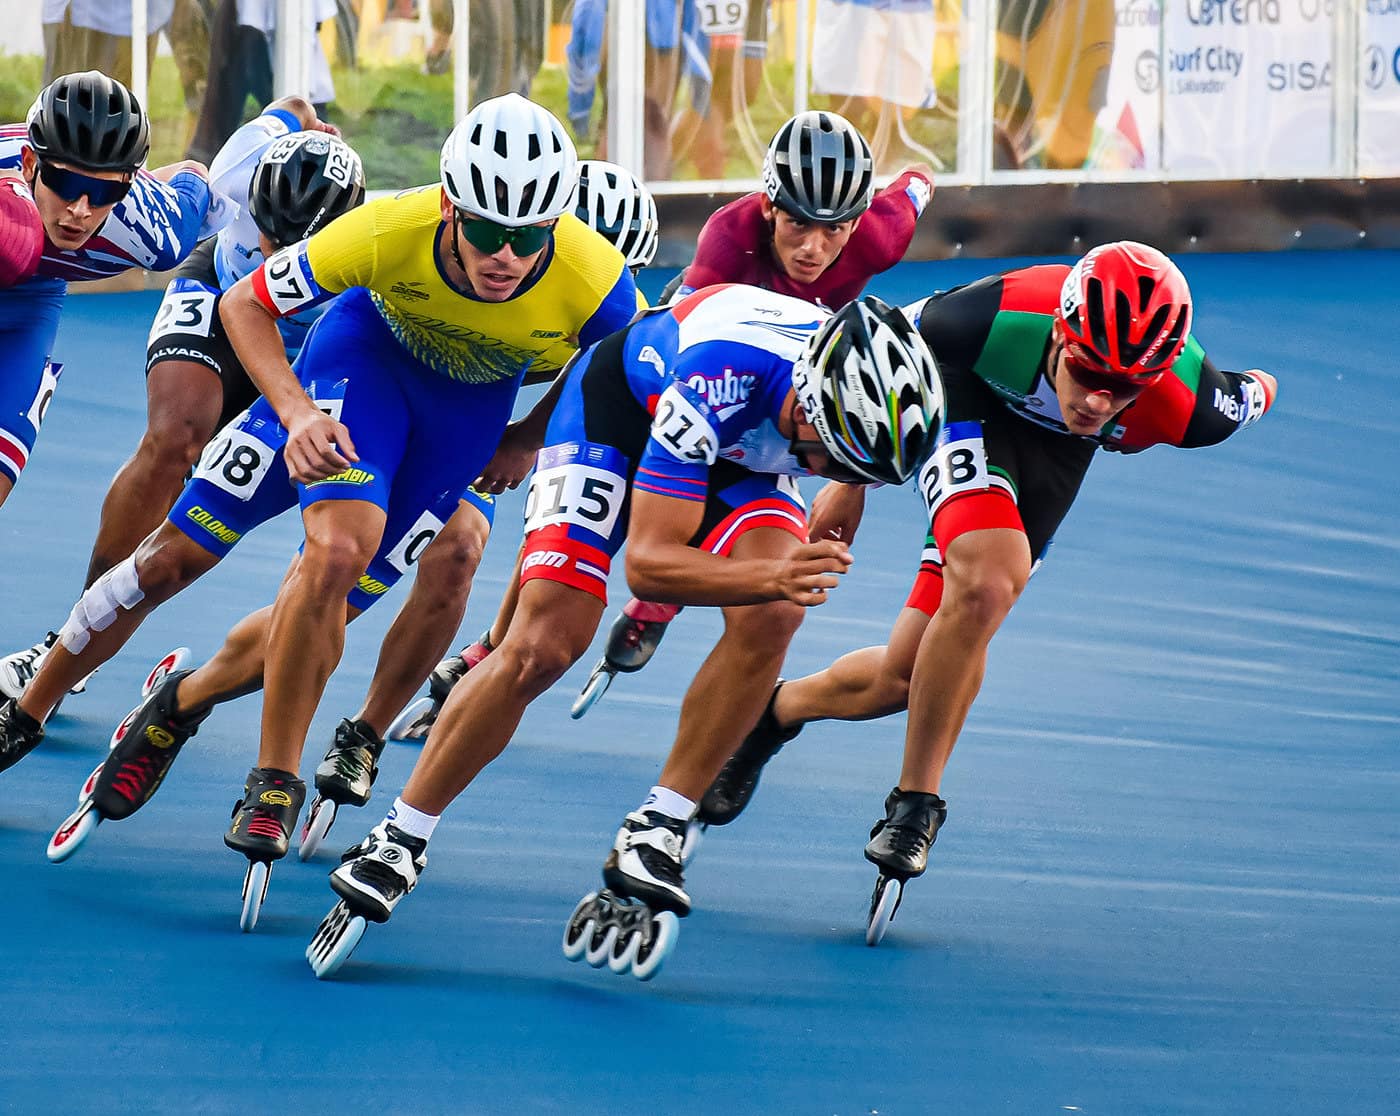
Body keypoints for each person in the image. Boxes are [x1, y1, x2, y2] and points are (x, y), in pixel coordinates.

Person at [11, 95, 638, 921]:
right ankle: (39, 712)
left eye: (530, 237)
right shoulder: (387, 229)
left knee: (322, 611)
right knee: (194, 555)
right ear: (450, 207)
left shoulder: (598, 281)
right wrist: (299, 412)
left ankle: (178, 705)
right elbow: (244, 305)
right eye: (488, 231)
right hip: (360, 370)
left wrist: (528, 434)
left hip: (461, 423)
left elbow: (615, 367)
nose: (507, 257)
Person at [305, 285, 943, 980]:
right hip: (617, 414)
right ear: (810, 404)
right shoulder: (719, 379)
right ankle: (400, 836)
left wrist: (838, 492)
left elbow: (841, 471)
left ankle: (660, 822)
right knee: (545, 646)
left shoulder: (859, 419)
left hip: (741, 451)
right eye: (830, 458)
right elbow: (649, 568)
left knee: (776, 616)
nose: (830, 473)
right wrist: (773, 576)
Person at [688, 241, 1280, 941]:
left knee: (906, 679)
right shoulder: (992, 315)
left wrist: (1251, 387)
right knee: (990, 582)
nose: (1097, 399)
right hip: (963, 398)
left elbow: (1259, 387)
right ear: (1061, 332)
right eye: (1090, 370)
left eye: (1122, 388)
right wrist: (851, 481)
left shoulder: (1194, 407)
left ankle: (776, 712)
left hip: (1054, 462)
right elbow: (880, 360)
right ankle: (916, 804)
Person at [417, 111, 936, 721]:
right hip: (698, 357)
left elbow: (916, 185)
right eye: (799, 224)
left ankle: (656, 601)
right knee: (605, 505)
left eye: (835, 230)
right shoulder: (727, 236)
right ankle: (498, 641)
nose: (814, 248)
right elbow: (689, 380)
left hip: (795, 389)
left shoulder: (882, 233)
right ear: (770, 205)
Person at [0, 96, 362, 703]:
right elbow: (286, 110)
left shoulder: (372, 245)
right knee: (174, 440)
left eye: (299, 255)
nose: (278, 263)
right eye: (268, 237)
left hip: (310, 342)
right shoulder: (235, 171)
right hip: (220, 294)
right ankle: (74, 638)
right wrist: (308, 119)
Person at [388, 157, 662, 740]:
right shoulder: (500, 262)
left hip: (515, 408)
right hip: (417, 384)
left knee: (490, 542)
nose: (593, 302)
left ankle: (479, 654)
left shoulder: (624, 314)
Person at [0, 70, 216, 518]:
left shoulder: (155, 231)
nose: (80, 210)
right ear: (27, 163)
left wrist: (290, 115)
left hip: (29, 304)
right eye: (63, 184)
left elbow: (194, 174)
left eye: (104, 191)